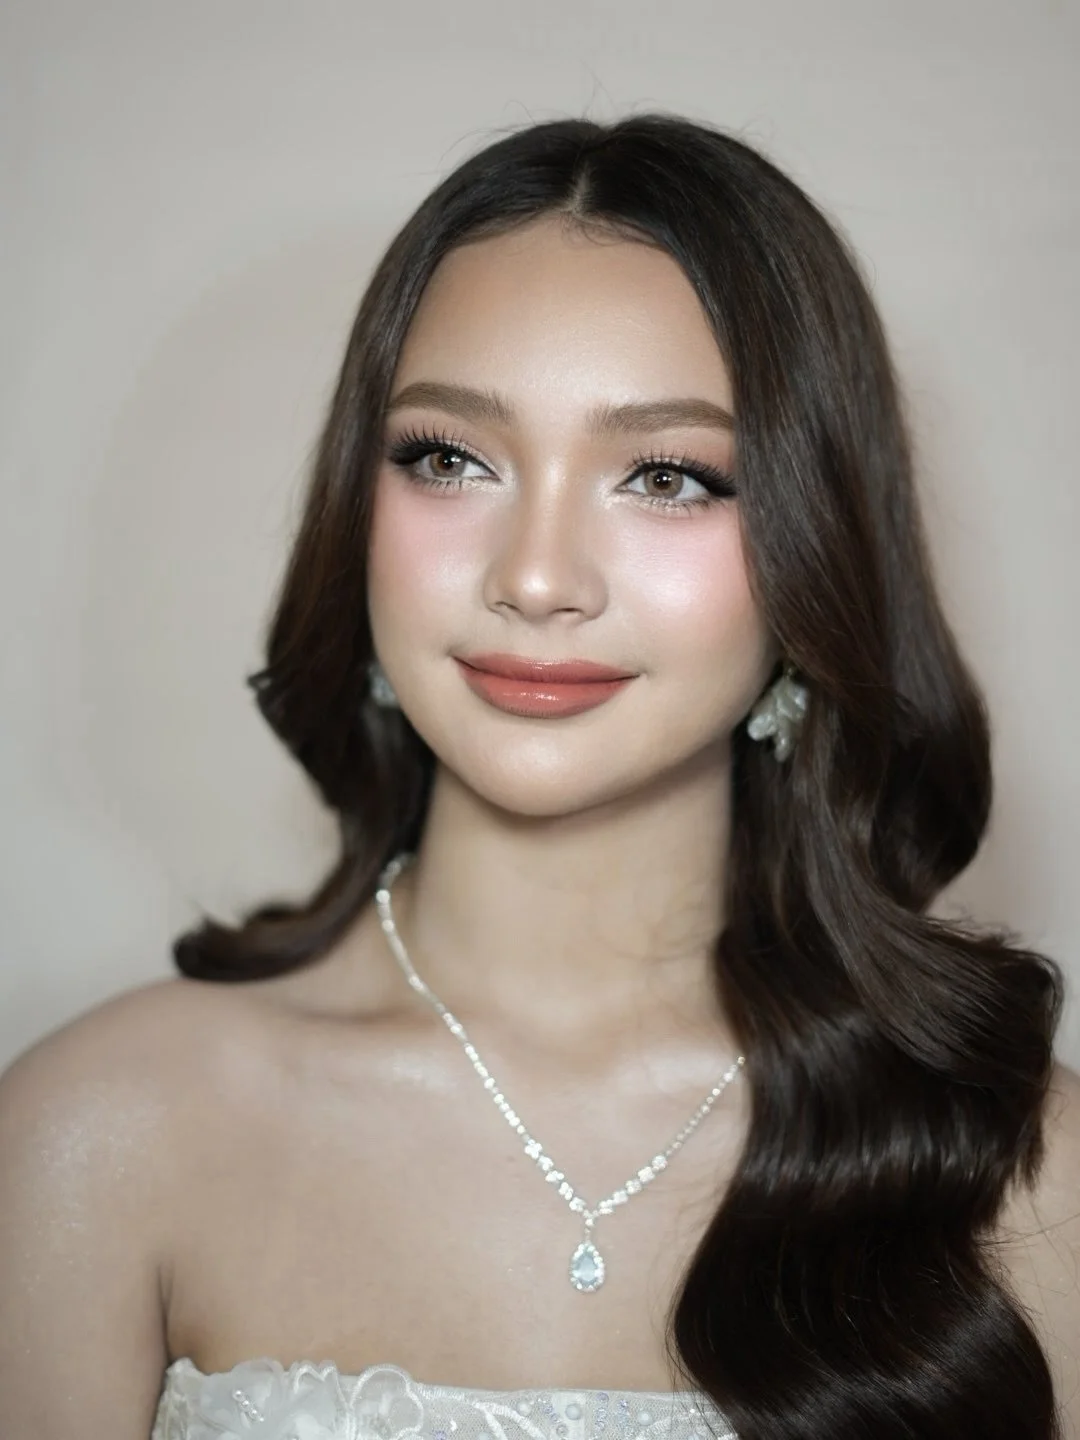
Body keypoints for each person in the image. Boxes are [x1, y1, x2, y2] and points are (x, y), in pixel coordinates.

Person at [0, 111, 1077, 1440]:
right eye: (449, 459)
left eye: (669, 476)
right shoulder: (100, 1134)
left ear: (819, 551)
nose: (536, 578)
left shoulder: (1030, 1176)